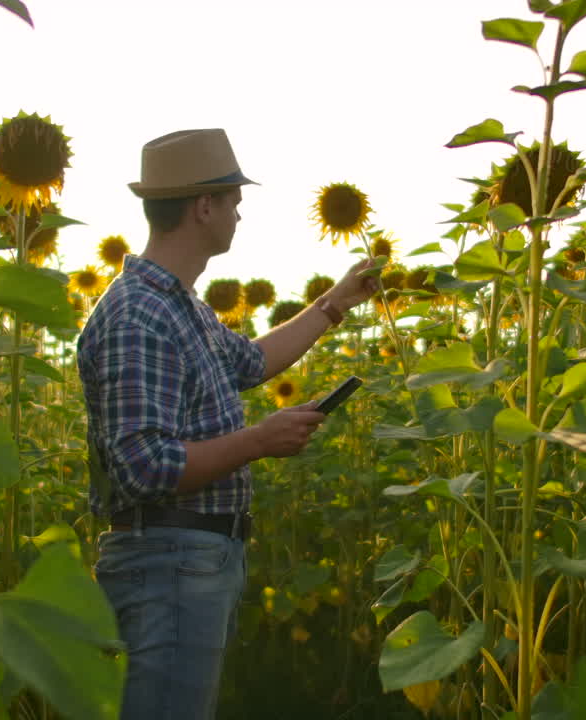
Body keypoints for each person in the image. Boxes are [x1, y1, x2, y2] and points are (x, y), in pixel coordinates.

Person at [77, 128, 377, 720]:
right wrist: (259, 441)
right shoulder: (138, 313)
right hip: (167, 558)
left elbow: (252, 361)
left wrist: (335, 303)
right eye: (234, 200)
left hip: (192, 558)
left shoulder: (179, 304)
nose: (240, 213)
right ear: (203, 206)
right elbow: (144, 468)